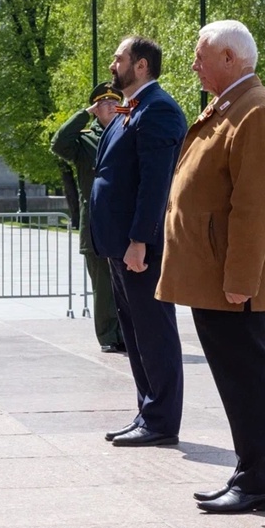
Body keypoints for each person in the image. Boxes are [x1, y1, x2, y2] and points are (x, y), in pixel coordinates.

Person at [156, 20, 265, 514]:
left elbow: (257, 206)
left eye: (201, 55)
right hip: (213, 273)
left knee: (246, 376)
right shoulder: (233, 105)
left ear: (231, 59)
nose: (194, 64)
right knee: (236, 376)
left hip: (228, 279)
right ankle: (250, 470)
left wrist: (240, 281)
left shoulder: (255, 110)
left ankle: (258, 482)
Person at [89, 36, 187, 447]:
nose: (113, 65)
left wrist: (138, 240)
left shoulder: (159, 109)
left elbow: (155, 185)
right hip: (118, 243)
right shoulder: (133, 107)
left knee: (153, 331)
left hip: (138, 245)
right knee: (135, 331)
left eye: (120, 58)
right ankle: (148, 411)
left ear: (141, 65)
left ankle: (162, 420)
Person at [50, 82, 125, 352]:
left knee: (126, 286)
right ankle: (108, 337)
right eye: (103, 103)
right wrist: (84, 112)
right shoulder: (83, 140)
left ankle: (126, 335)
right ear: (95, 108)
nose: (109, 106)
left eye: (114, 102)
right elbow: (58, 143)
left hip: (123, 222)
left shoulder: (126, 132)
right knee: (104, 286)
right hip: (94, 223)